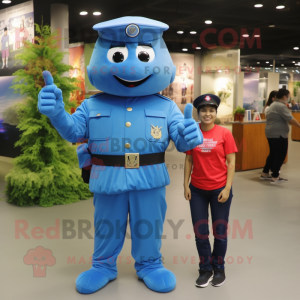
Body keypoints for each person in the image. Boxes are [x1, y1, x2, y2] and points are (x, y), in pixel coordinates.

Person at [38, 17, 203, 294]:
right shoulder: (91, 105)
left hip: (149, 178)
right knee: (106, 224)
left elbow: (181, 139)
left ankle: (150, 264)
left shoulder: (167, 107)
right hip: (107, 178)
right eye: (117, 55)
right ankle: (103, 265)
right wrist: (57, 113)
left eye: (143, 55)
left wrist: (189, 138)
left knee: (149, 223)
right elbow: (73, 132)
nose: (131, 66)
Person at [184, 94, 237, 288]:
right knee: (201, 232)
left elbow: (231, 163)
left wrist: (227, 187)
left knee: (220, 232)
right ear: (198, 113)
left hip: (219, 190)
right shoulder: (193, 132)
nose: (207, 114)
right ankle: (205, 269)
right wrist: (185, 185)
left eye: (211, 110)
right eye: (204, 110)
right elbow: (188, 160)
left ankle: (219, 268)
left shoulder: (225, 134)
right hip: (197, 190)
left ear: (215, 112)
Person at [261, 89, 300, 183]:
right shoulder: (280, 106)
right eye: (288, 96)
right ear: (284, 96)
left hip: (271, 133)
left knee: (273, 154)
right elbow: (290, 119)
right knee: (280, 155)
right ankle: (275, 176)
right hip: (278, 134)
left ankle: (265, 173)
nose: (289, 98)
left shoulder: (273, 104)